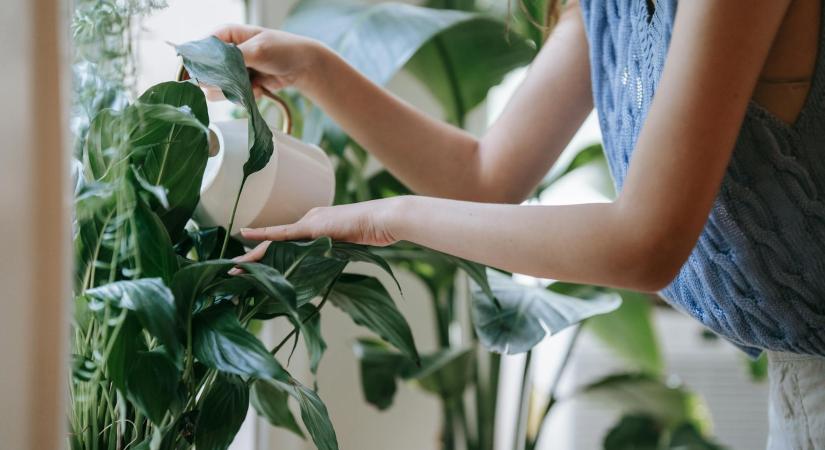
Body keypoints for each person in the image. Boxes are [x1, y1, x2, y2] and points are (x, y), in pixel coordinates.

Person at [221, 0, 825, 447]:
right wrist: (314, 69)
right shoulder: (604, 10)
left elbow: (646, 242)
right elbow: (484, 176)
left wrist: (387, 219)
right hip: (796, 386)